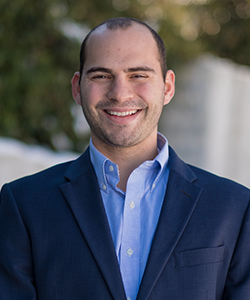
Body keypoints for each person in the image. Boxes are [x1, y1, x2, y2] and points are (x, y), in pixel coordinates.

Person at [0, 17, 250, 300]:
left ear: (167, 87)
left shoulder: (235, 208)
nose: (120, 94)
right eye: (101, 76)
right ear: (77, 87)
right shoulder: (23, 205)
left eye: (139, 75)